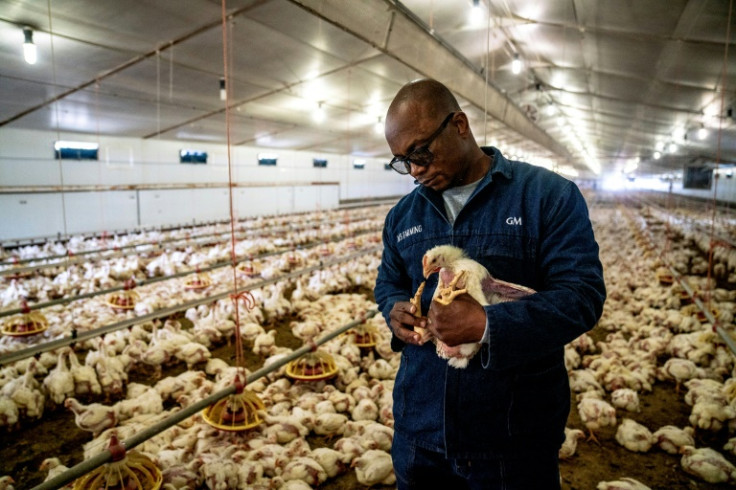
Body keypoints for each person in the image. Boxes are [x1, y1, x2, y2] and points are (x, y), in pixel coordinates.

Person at [373, 78, 606, 489]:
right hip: (420, 434)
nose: (414, 170)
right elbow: (388, 282)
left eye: (420, 152)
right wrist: (394, 308)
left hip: (512, 439)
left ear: (459, 125)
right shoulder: (402, 217)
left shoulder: (547, 197)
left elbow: (582, 297)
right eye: (401, 161)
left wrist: (486, 325)